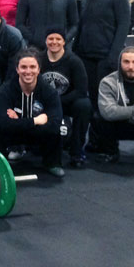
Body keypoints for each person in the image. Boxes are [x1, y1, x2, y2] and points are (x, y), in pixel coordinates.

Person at [0, 48, 65, 177]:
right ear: (17, 69)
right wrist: (35, 121)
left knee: (58, 131)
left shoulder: (49, 91)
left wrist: (17, 120)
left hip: (38, 133)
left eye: (32, 67)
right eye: (23, 67)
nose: (28, 71)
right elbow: (3, 123)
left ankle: (52, 163)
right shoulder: (6, 90)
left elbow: (55, 122)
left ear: (39, 69)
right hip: (19, 131)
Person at [72, 0, 130, 112]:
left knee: (106, 99)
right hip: (86, 56)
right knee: (91, 97)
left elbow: (123, 26)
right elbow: (81, 25)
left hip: (106, 57)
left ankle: (108, 134)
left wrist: (113, 56)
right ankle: (94, 133)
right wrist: (75, 52)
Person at [40, 27, 91, 168]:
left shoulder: (74, 61)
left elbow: (81, 90)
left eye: (58, 39)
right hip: (45, 103)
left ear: (64, 41)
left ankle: (76, 151)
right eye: (51, 39)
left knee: (84, 105)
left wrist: (58, 102)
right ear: (45, 41)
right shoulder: (39, 59)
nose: (54, 42)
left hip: (67, 101)